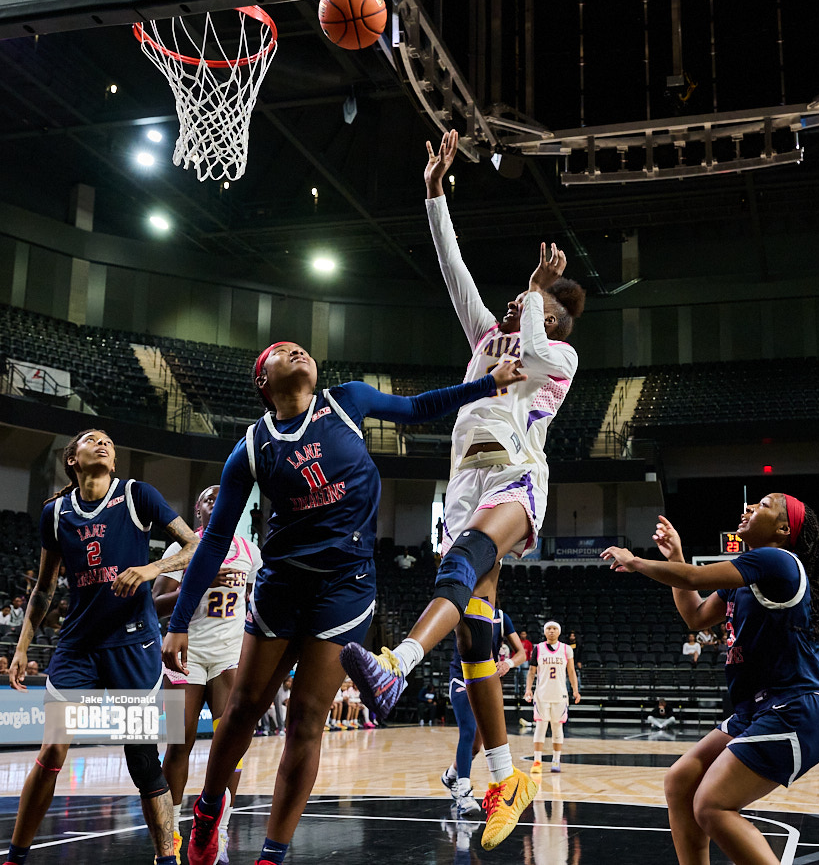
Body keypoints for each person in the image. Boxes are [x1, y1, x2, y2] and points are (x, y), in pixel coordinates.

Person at [160, 340, 525, 865]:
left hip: (346, 586)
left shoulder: (346, 400)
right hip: (283, 584)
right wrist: (179, 622)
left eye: (302, 349)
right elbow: (214, 539)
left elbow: (418, 407)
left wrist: (490, 382)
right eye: (283, 351)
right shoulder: (252, 447)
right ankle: (208, 810)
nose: (299, 352)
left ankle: (271, 856)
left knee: (307, 721)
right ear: (263, 381)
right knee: (242, 710)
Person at [341, 129, 586, 851]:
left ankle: (395, 666)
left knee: (464, 561)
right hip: (463, 484)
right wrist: (433, 192)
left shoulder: (558, 353)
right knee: (478, 634)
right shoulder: (485, 338)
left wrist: (538, 294)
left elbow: (535, 347)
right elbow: (454, 271)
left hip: (516, 477)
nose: (513, 300)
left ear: (553, 316)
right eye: (519, 297)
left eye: (531, 300)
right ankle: (506, 776)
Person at [601, 494, 819, 865]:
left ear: (783, 529)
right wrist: (675, 558)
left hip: (795, 709)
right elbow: (695, 616)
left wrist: (636, 561)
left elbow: (694, 577)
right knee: (681, 782)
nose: (748, 508)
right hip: (758, 709)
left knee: (712, 804)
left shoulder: (778, 560)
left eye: (763, 505)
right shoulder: (743, 578)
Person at [5, 428, 200, 865]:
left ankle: (166, 859)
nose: (104, 443)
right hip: (78, 645)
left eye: (109, 441)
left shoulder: (136, 494)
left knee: (142, 760)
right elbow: (44, 588)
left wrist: (151, 569)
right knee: (52, 749)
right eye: (92, 439)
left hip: (134, 643)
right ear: (72, 459)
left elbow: (193, 545)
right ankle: (15, 857)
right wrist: (22, 647)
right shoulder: (55, 513)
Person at [152, 483, 262, 864]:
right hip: (185, 655)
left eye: (221, 496)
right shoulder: (181, 549)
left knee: (230, 745)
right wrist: (199, 584)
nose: (215, 501)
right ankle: (170, 833)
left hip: (229, 657)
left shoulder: (250, 551)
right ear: (197, 510)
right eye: (207, 498)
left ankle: (220, 829)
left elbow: (257, 601)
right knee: (177, 744)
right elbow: (155, 603)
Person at [441, 604, 526, 816]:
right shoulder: (461, 609)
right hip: (460, 678)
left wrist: (509, 664)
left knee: (476, 746)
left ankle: (450, 775)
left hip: (485, 682)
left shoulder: (501, 617)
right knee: (468, 731)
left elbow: (522, 653)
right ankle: (464, 792)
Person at [524, 622, 581, 773]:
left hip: (560, 694)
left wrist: (575, 690)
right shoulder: (538, 648)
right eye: (548, 628)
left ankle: (556, 760)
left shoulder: (566, 649)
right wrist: (528, 689)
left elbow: (571, 671)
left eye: (554, 629)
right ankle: (537, 761)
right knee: (540, 727)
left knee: (557, 727)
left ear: (559, 632)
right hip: (542, 694)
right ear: (544, 632)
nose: (551, 631)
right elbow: (531, 671)